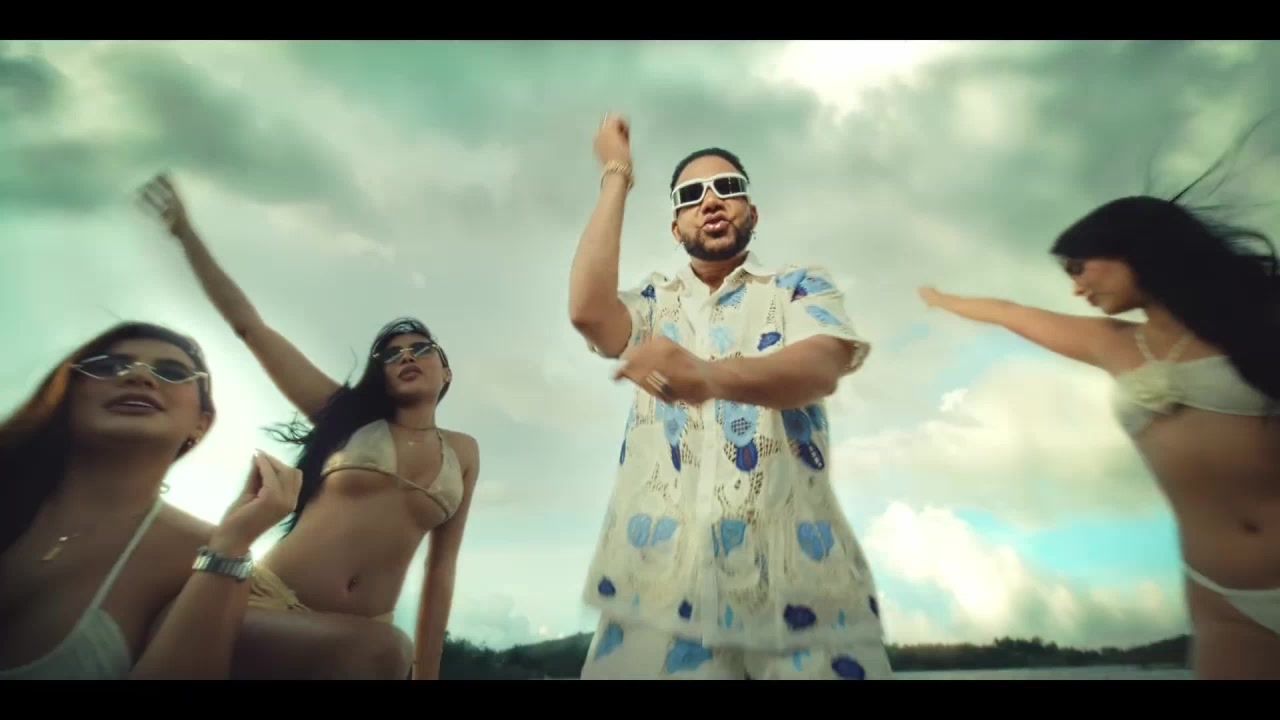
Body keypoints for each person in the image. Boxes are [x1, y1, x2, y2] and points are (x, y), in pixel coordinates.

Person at [918, 152, 1280, 679]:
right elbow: (1011, 313)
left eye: (1077, 267)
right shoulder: (1111, 343)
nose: (1075, 288)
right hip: (1223, 598)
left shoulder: (1264, 316)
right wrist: (938, 299)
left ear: (1133, 248)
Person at [565, 113, 893, 680]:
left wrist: (709, 376)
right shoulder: (653, 302)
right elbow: (588, 312)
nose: (711, 201)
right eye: (691, 196)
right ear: (676, 227)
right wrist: (616, 172)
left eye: (727, 188)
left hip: (798, 584)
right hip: (661, 590)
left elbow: (820, 366)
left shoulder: (798, 287)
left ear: (752, 213)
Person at [136, 173, 481, 681]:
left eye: (420, 349)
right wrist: (186, 234)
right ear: (381, 375)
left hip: (359, 638)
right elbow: (250, 327)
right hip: (267, 604)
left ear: (445, 372)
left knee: (383, 652)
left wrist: (427, 675)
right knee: (384, 651)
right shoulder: (346, 417)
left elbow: (441, 569)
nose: (406, 357)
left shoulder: (464, 452)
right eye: (392, 355)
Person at [0, 321, 303, 680]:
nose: (139, 376)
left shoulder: (203, 554)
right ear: (67, 394)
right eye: (108, 366)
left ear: (201, 423)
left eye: (172, 372)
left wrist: (231, 546)